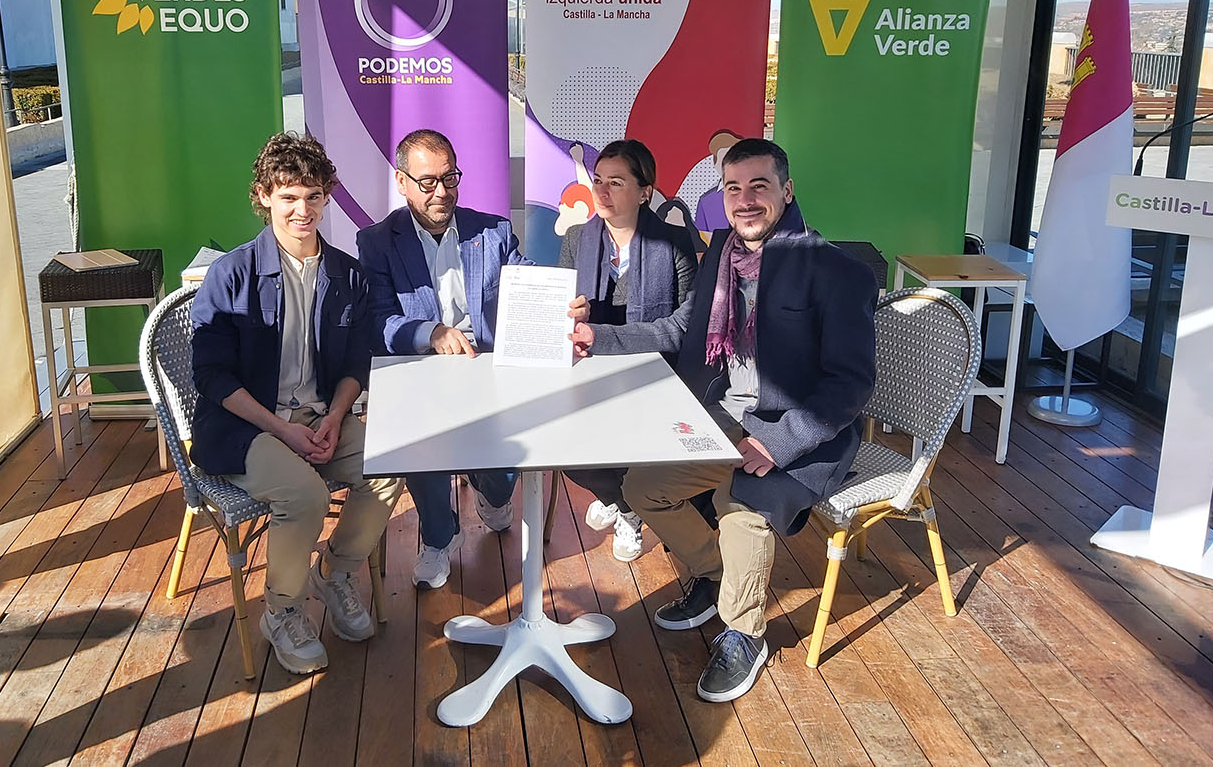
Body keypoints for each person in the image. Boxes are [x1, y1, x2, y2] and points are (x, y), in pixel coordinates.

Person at [570, 138, 876, 703]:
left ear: (787, 191)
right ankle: (718, 576)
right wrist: (601, 338)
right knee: (642, 487)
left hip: (800, 435)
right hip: (720, 419)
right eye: (733, 188)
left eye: (759, 186)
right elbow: (676, 330)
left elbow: (850, 386)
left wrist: (777, 443)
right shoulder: (721, 255)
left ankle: (746, 631)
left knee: (741, 503)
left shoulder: (836, 272)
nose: (745, 200)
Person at [191, 133, 403, 676]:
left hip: (320, 418)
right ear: (264, 198)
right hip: (246, 427)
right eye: (288, 197)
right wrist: (283, 432)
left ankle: (333, 573)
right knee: (305, 494)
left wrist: (334, 416)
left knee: (390, 462)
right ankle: (281, 611)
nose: (301, 210)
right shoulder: (230, 273)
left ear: (326, 197)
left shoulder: (347, 273)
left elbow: (358, 363)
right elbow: (211, 378)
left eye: (312, 196)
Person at [357, 129, 531, 590]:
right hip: (419, 369)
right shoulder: (377, 242)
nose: (442, 192)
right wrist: (428, 333)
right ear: (401, 181)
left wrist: (560, 303)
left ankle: (491, 492)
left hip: (487, 365)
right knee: (421, 445)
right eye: (428, 182)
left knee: (506, 457)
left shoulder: (492, 230)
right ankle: (438, 538)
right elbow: (377, 319)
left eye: (450, 178)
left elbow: (525, 281)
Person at [560, 139, 696, 561]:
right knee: (563, 446)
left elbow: (681, 330)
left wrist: (601, 337)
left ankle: (625, 506)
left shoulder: (674, 243)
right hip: (586, 376)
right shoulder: (576, 239)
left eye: (615, 182)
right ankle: (624, 503)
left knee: (634, 439)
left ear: (644, 192)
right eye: (597, 180)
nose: (601, 191)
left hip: (654, 379)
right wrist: (568, 314)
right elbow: (558, 320)